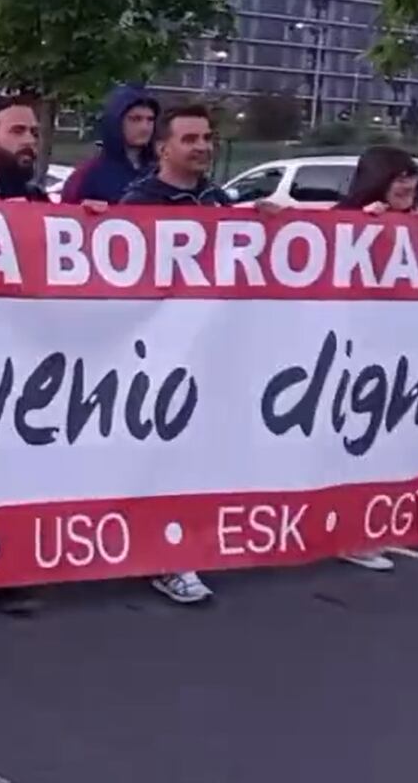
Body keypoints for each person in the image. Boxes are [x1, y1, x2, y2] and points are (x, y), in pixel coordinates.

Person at [121, 103, 279, 604]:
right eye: (190, 139)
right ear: (163, 148)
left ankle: (179, 545)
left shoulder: (217, 202)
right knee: (158, 454)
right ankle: (162, 555)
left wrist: (265, 224)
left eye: (208, 138)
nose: (203, 147)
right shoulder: (139, 205)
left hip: (209, 353)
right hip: (154, 356)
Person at [330, 146, 418, 573]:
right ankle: (349, 532)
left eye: (412, 176)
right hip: (349, 356)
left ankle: (364, 525)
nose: (407, 185)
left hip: (399, 357)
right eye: (398, 176)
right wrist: (357, 230)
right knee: (351, 443)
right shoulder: (347, 219)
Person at [61, 85, 158, 206]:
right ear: (116, 122)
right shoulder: (88, 175)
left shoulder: (161, 172)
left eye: (150, 120)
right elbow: (65, 217)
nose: (145, 127)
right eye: (135, 119)